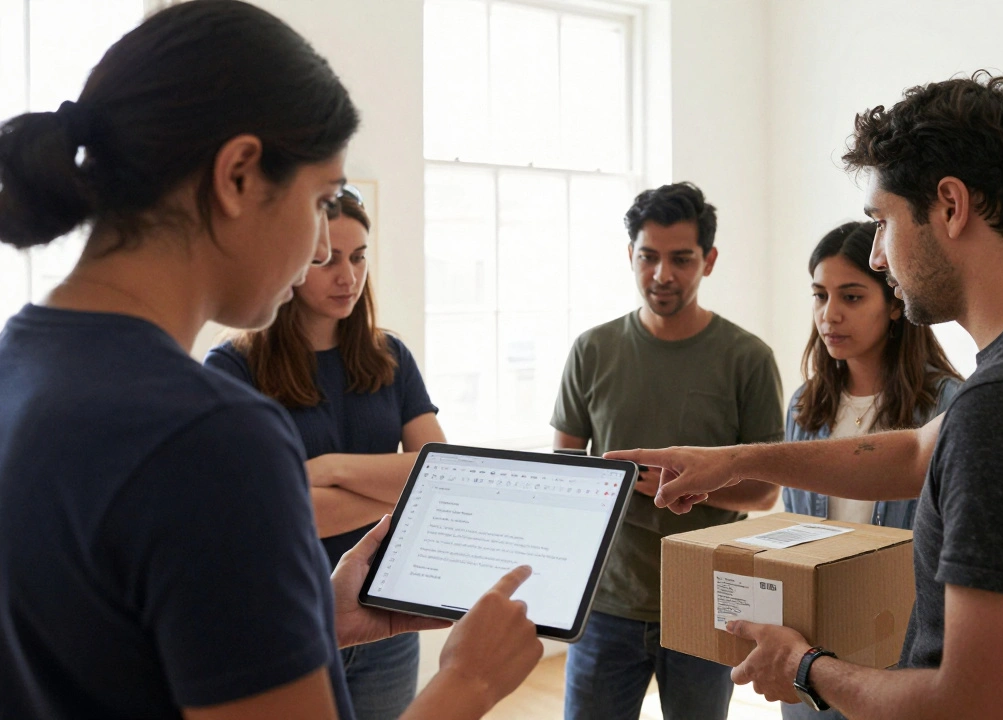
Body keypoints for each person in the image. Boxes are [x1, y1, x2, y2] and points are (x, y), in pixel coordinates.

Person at [0, 2, 540, 719]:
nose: (322, 248)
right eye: (320, 200)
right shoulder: (212, 436)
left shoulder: (19, 366)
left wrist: (314, 620)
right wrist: (469, 681)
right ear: (240, 176)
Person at [611, 72, 1003, 720]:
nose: (877, 255)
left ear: (951, 207)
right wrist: (734, 462)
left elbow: (974, 707)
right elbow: (913, 455)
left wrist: (805, 667)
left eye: (883, 221)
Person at [205, 188, 442, 720]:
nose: (347, 276)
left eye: (358, 257)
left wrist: (328, 471)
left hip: (390, 608)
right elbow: (272, 514)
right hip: (285, 616)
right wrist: (397, 494)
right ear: (291, 258)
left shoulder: (390, 355)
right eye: (327, 259)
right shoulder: (233, 367)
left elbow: (444, 476)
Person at [552, 182, 785, 720]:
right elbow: (563, 468)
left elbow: (767, 490)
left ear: (709, 260)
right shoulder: (592, 350)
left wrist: (697, 482)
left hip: (707, 603)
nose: (662, 275)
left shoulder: (746, 358)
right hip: (604, 601)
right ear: (629, 256)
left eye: (681, 259)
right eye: (648, 257)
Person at [780, 221, 961, 720]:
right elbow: (795, 533)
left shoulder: (946, 405)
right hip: (813, 644)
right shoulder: (804, 406)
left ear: (896, 303)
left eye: (852, 297)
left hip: (903, 648)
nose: (829, 314)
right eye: (820, 295)